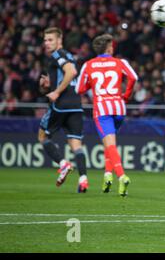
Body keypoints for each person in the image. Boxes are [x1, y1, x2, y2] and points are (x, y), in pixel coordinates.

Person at [75, 34, 138, 196]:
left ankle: (122, 176)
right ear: (109, 48)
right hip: (119, 108)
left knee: (109, 144)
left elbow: (79, 89)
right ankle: (107, 175)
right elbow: (133, 77)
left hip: (102, 110)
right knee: (109, 143)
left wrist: (93, 85)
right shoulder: (120, 62)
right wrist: (127, 95)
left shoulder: (88, 65)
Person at [38, 27, 89, 192]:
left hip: (61, 105)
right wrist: (49, 85)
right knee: (76, 144)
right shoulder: (69, 56)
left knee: (43, 136)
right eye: (45, 40)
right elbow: (69, 73)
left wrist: (56, 91)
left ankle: (63, 164)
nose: (47, 43)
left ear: (59, 40)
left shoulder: (57, 55)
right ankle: (83, 179)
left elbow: (71, 72)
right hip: (76, 105)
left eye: (50, 40)